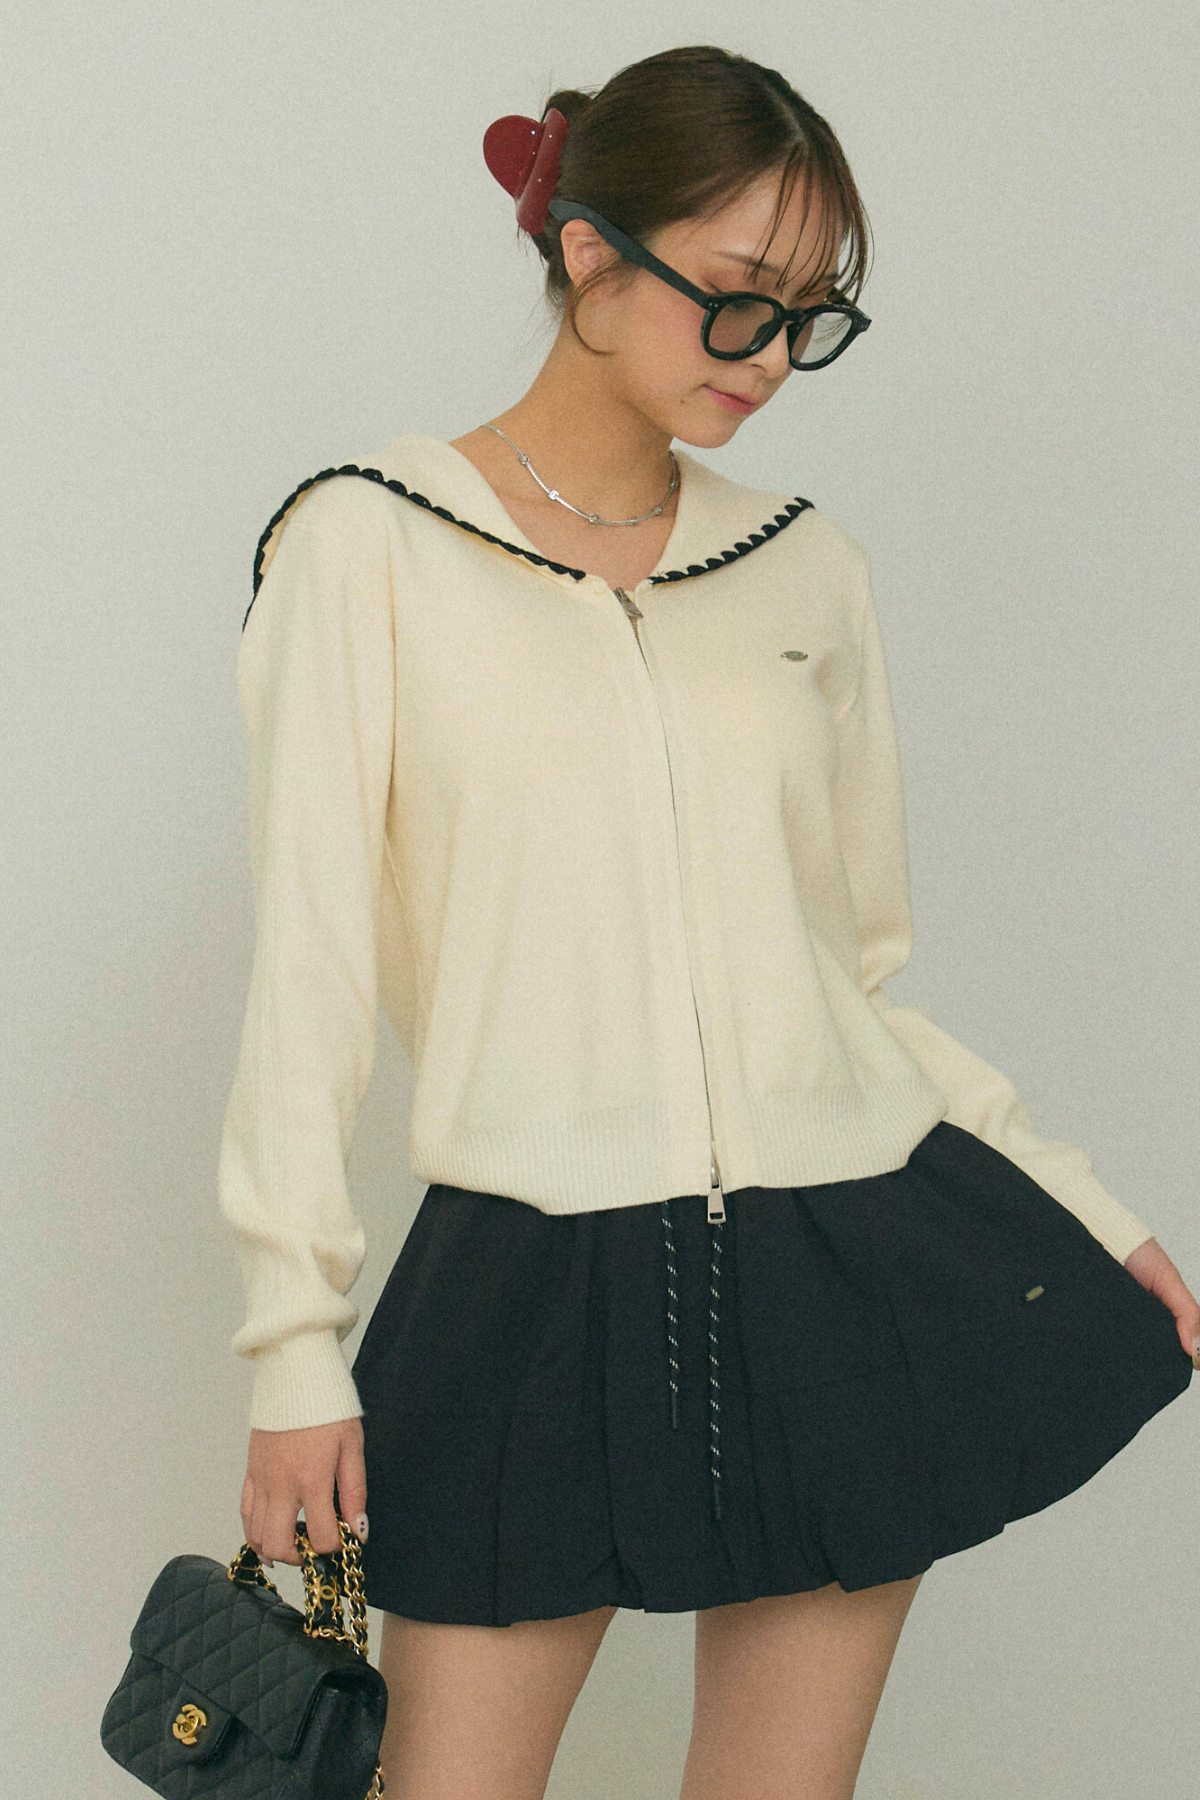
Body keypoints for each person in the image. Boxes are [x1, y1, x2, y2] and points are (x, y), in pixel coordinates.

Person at [218, 45, 1199, 1800]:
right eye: (740, 298)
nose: (772, 357)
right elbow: (308, 972)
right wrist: (294, 1346)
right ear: (590, 252)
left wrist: (1078, 1200)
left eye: (812, 315)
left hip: (842, 1258)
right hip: (532, 1273)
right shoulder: (369, 544)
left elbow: (851, 978)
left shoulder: (804, 565)